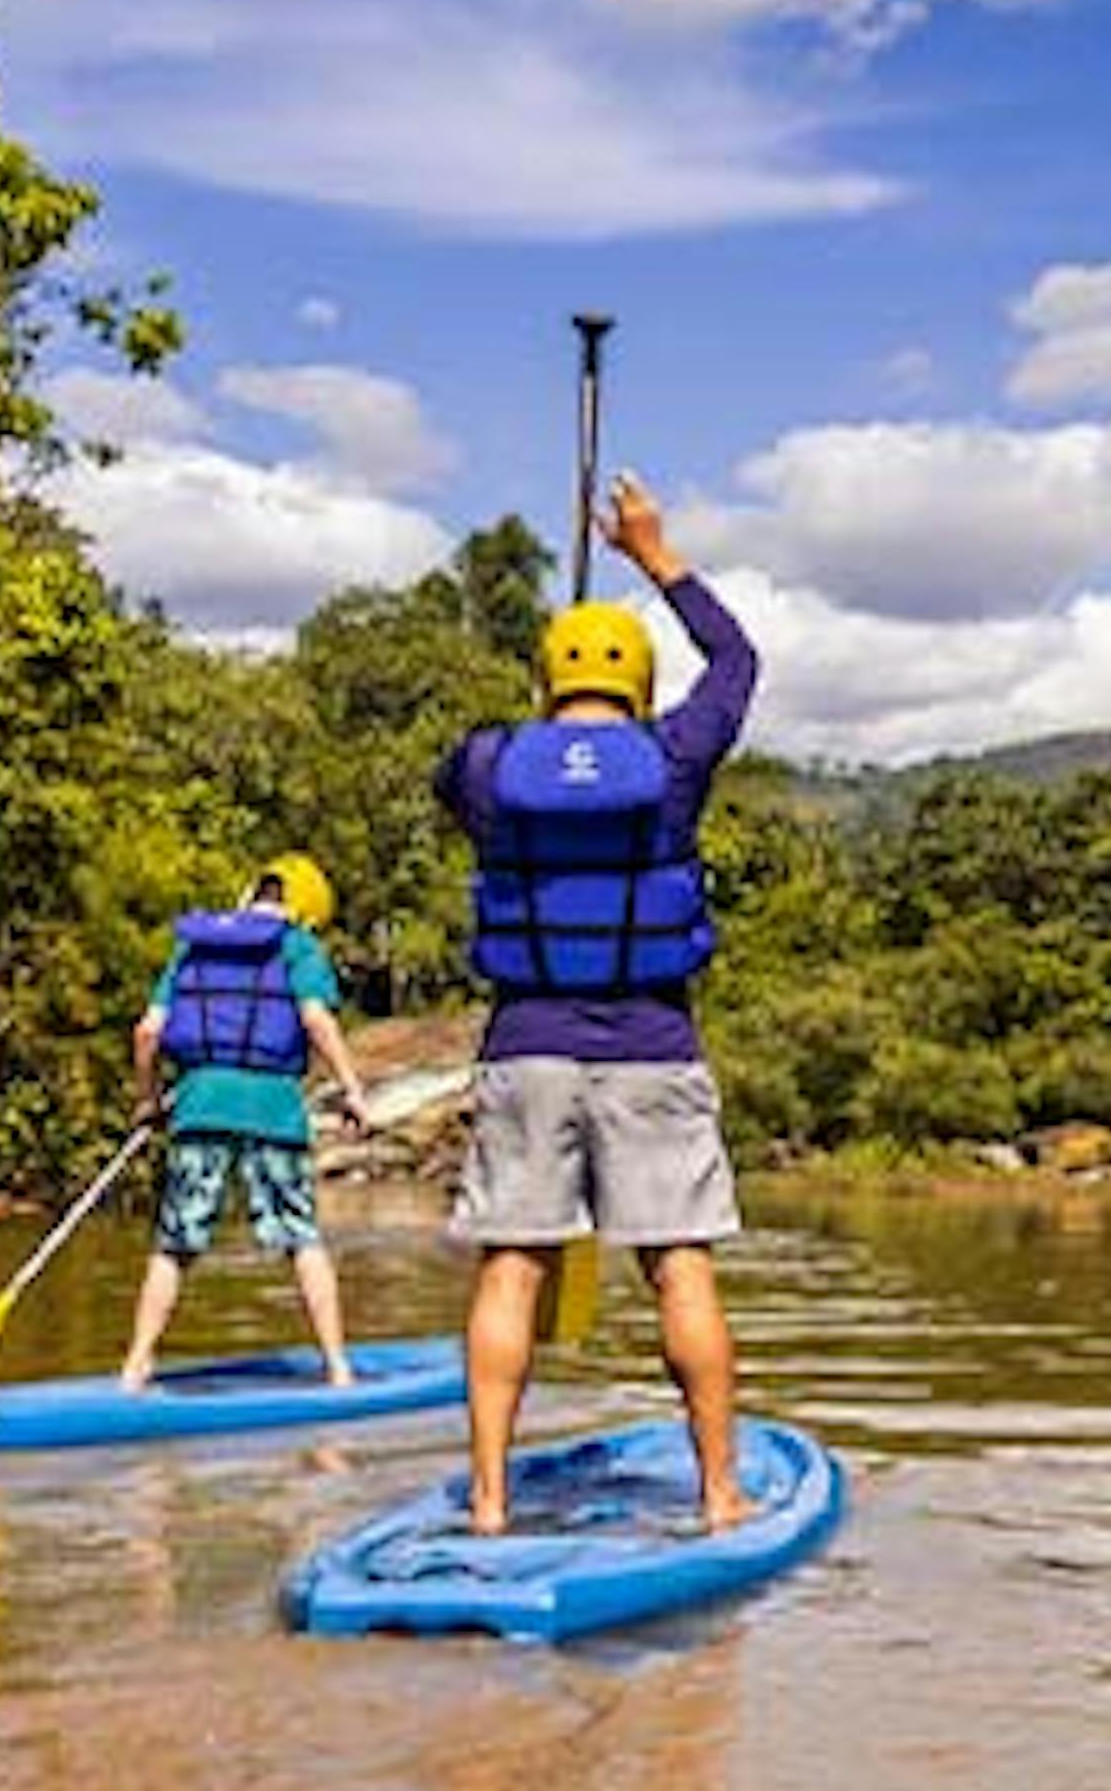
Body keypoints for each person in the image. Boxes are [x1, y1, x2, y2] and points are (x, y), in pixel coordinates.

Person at [434, 472, 758, 1532]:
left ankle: (486, 1502)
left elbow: (469, 778)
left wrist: (547, 741)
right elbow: (740, 660)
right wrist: (655, 556)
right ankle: (718, 1495)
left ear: (547, 677)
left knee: (512, 1266)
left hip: (526, 1045)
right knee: (679, 1265)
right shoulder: (671, 760)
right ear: (638, 677)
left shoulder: (487, 767)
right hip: (653, 1044)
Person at [122, 854, 373, 1390]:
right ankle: (338, 1370)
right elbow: (315, 1018)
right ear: (306, 909)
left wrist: (147, 1100)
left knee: (175, 1242)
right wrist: (353, 1088)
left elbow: (147, 1032)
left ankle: (135, 1368)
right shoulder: (299, 947)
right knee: (301, 1238)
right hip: (274, 1112)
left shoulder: (193, 945)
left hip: (198, 1105)